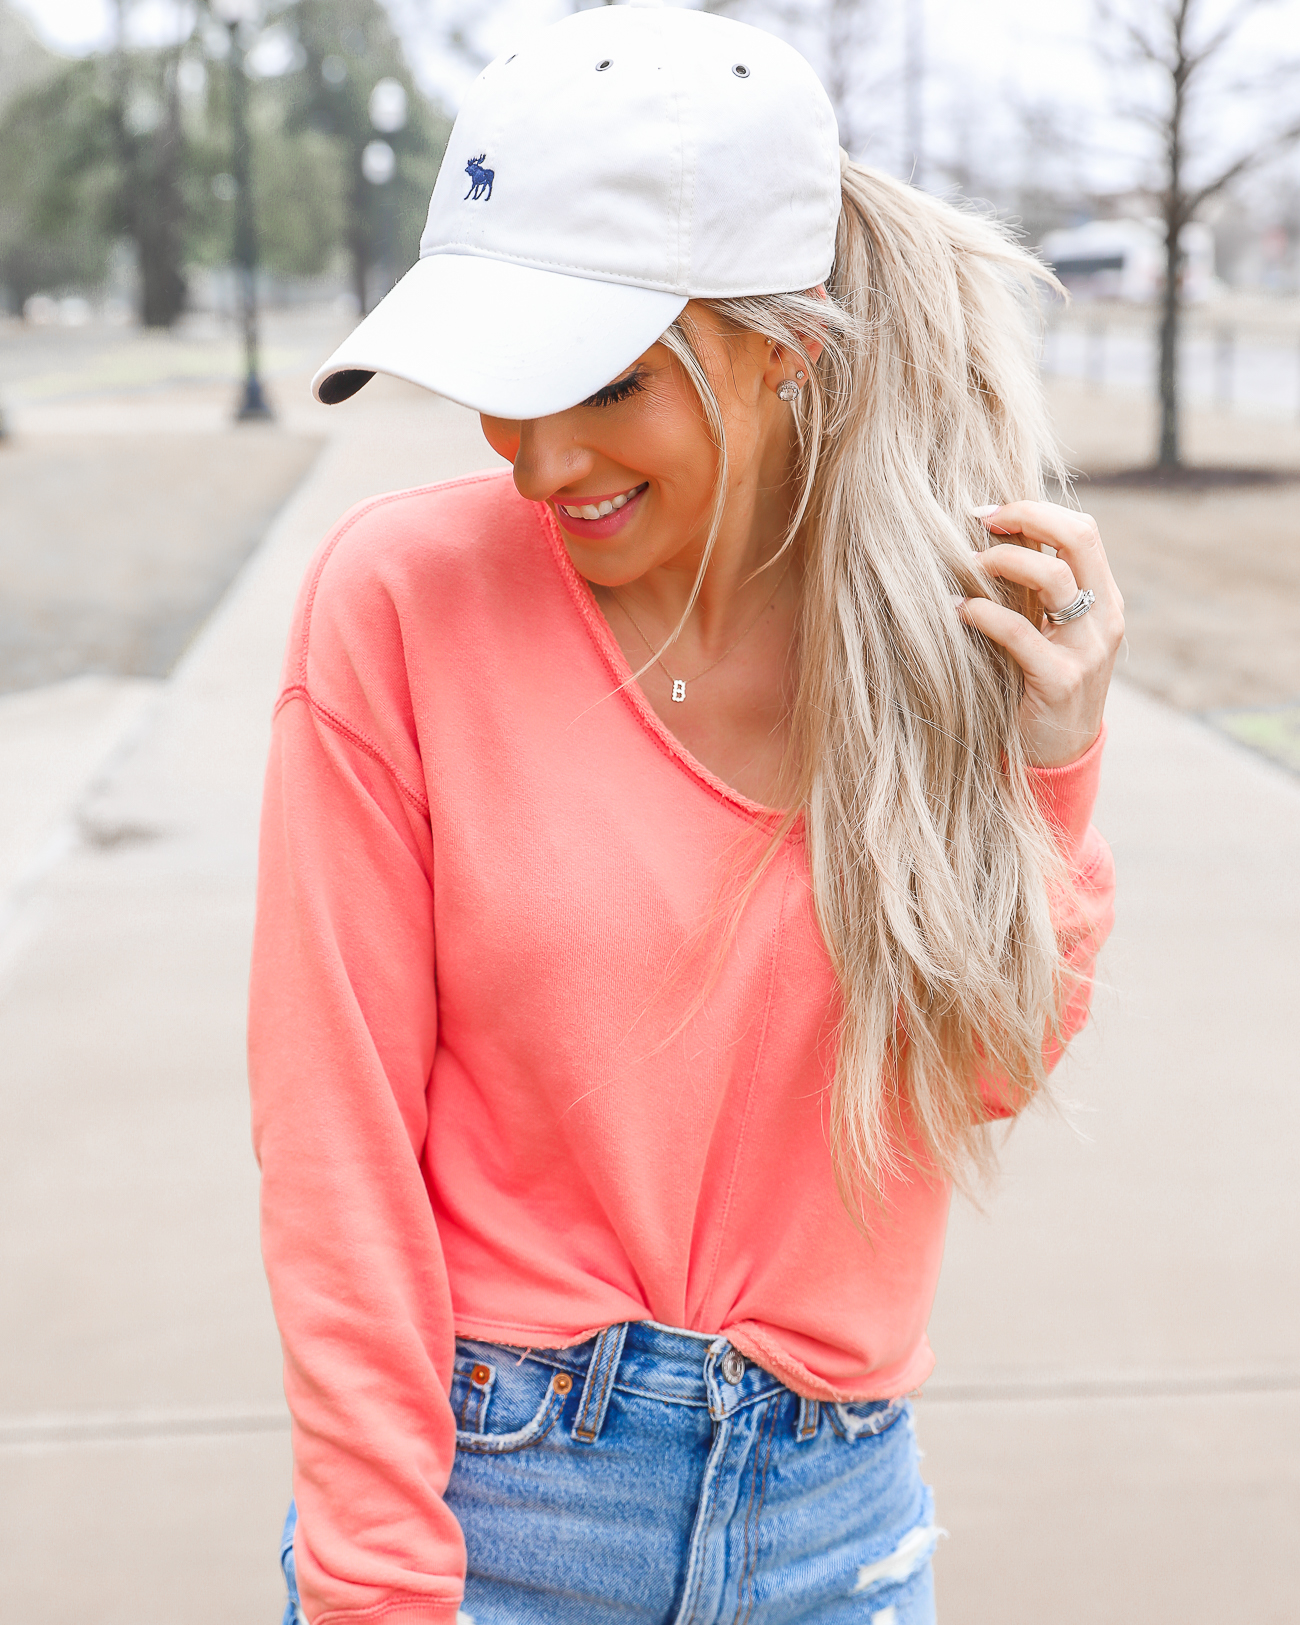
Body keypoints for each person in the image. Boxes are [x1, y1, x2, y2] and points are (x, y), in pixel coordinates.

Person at [249, 8, 1120, 1624]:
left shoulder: (936, 623)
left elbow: (980, 1071)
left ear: (779, 343)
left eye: (599, 383)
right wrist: (377, 1585)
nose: (536, 461)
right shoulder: (398, 603)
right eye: (499, 389)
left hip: (837, 1528)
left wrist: (1052, 766)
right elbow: (334, 1138)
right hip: (495, 1514)